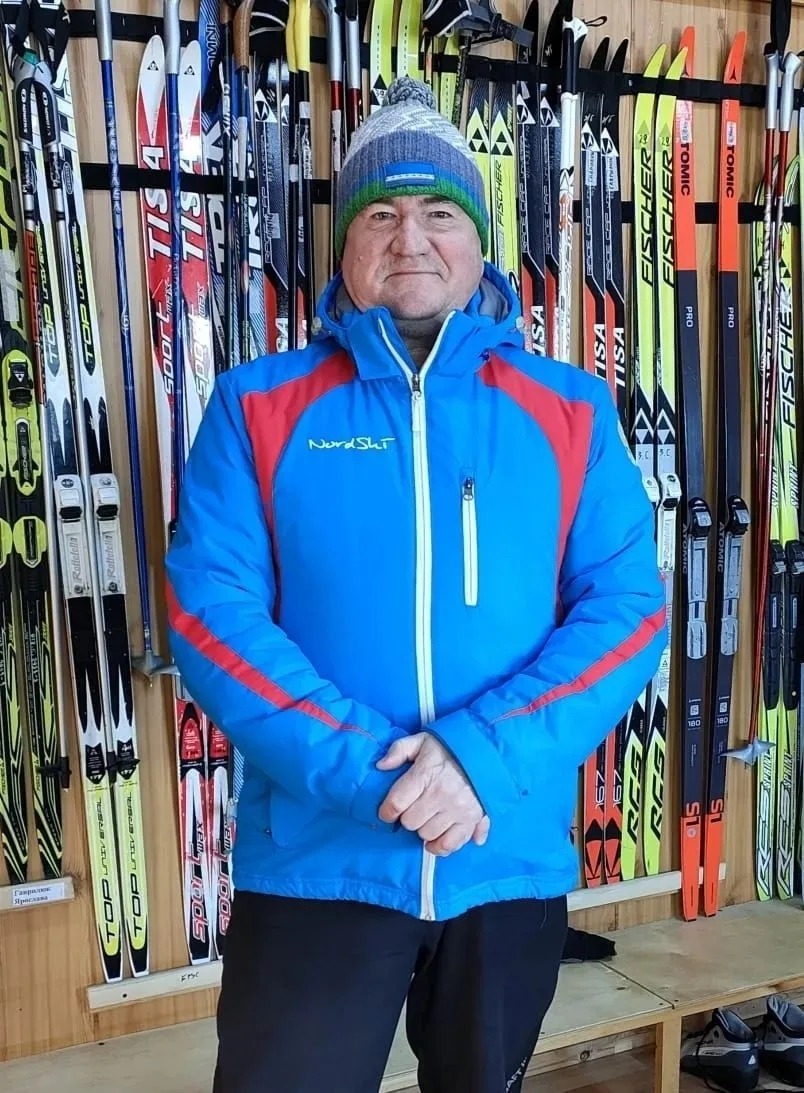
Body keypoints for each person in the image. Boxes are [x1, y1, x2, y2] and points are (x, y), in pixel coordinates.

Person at [166, 77, 666, 1093]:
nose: (411, 239)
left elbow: (626, 611)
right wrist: (380, 776)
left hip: (502, 848)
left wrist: (478, 759)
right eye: (380, 215)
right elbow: (210, 617)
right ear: (344, 247)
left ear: (479, 242)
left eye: (440, 212)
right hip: (319, 857)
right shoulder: (256, 407)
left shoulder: (570, 410)